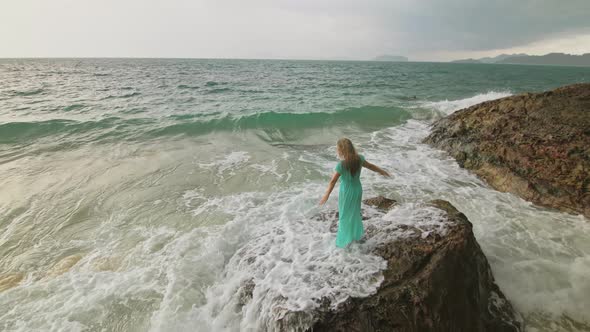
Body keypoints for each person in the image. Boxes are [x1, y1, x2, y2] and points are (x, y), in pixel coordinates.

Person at [319, 138, 390, 248]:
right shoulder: (360, 159)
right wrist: (382, 171)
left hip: (346, 191)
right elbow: (371, 166)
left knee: (344, 215)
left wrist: (326, 195)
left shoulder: (341, 165)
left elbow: (333, 181)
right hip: (357, 190)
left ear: (341, 151)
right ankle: (354, 236)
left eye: (337, 149)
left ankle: (343, 241)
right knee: (354, 213)